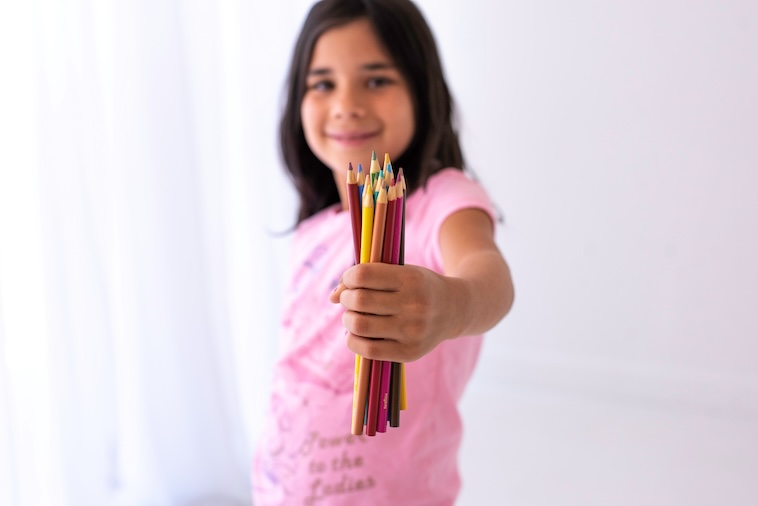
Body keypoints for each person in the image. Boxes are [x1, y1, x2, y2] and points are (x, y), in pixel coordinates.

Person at [252, 0, 514, 504]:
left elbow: (490, 279)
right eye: (323, 83)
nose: (346, 103)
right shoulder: (317, 227)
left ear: (421, 89)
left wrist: (447, 305)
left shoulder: (441, 198)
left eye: (376, 80)